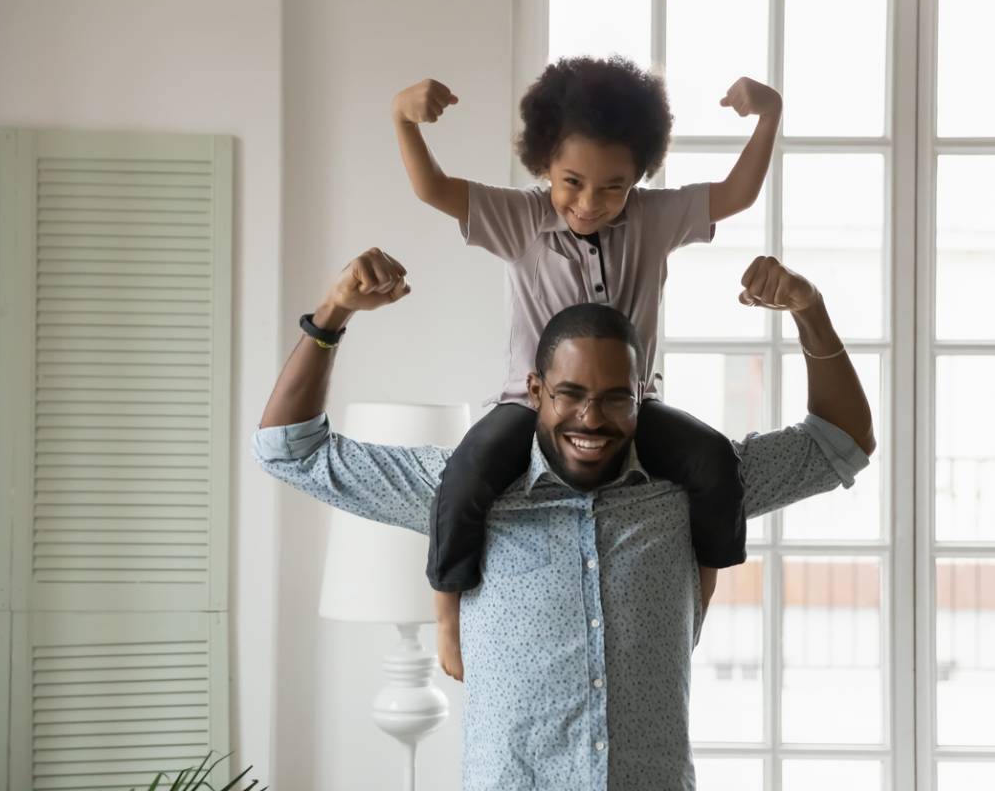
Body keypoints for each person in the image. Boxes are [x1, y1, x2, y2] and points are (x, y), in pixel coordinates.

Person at [252, 246, 875, 790]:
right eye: (570, 394)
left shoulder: (690, 489)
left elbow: (841, 442)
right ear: (534, 390)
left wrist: (809, 308)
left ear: (642, 397)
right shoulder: (461, 490)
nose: (591, 419)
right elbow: (290, 449)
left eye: (614, 398)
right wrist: (333, 315)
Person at [392, 55, 785, 680]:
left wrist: (769, 117)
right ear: (545, 162)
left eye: (613, 186)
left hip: (634, 407)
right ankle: (445, 614)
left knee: (713, 462)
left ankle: (700, 597)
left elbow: (736, 194)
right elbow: (433, 189)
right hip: (532, 408)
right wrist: (404, 121)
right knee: (465, 476)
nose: (590, 202)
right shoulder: (520, 219)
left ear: (638, 177)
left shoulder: (655, 220)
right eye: (572, 181)